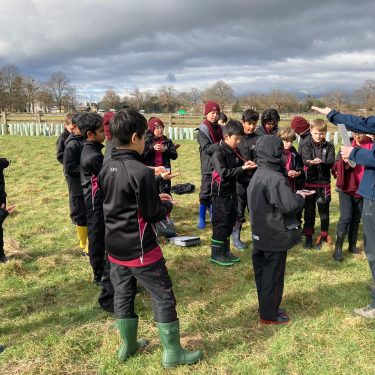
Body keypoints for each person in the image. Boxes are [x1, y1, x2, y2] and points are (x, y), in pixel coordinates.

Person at [98, 108, 202, 367]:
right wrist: (165, 203)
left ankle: (128, 345)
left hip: (114, 247)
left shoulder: (106, 166)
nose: (146, 141)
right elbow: (153, 213)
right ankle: (172, 352)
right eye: (144, 136)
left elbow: (118, 203)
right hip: (141, 249)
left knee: (123, 294)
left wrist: (155, 198)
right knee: (163, 295)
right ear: (135, 137)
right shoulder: (141, 173)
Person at [312, 105, 375, 318]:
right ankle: (339, 249)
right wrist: (333, 115)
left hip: (368, 193)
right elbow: (363, 124)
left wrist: (354, 154)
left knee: (366, 235)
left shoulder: (366, 146)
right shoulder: (356, 139)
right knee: (353, 225)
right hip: (357, 190)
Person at [247, 135, 309, 324]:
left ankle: (267, 307)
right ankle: (270, 315)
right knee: (273, 277)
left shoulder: (258, 173)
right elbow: (289, 205)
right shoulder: (275, 178)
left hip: (259, 233)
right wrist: (300, 197)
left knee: (262, 275)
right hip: (274, 236)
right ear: (276, 153)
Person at [210, 120, 256, 266]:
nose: (238, 141)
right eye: (236, 138)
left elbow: (237, 165)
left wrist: (246, 164)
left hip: (232, 192)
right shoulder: (218, 153)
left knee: (230, 221)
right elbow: (223, 173)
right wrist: (242, 169)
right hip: (220, 194)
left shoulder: (233, 150)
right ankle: (216, 254)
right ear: (226, 136)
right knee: (221, 223)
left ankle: (225, 251)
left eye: (239, 138)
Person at [331, 132, 373, 261]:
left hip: (363, 189)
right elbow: (335, 165)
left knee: (356, 218)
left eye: (360, 133)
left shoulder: (372, 146)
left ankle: (352, 245)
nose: (358, 136)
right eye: (355, 133)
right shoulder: (346, 145)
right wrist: (343, 162)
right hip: (347, 188)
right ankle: (338, 248)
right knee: (346, 217)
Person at [301, 119, 335, 249]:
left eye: (321, 133)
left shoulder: (330, 146)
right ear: (311, 131)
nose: (318, 136)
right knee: (309, 213)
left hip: (324, 185)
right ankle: (308, 237)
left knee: (324, 213)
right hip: (310, 184)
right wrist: (311, 162)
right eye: (315, 133)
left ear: (325, 133)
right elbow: (305, 160)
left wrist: (322, 162)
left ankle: (324, 236)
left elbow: (331, 162)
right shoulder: (306, 145)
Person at [232, 109, 260, 250]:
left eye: (254, 124)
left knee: (255, 210)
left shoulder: (259, 138)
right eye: (249, 123)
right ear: (243, 122)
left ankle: (257, 236)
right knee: (239, 209)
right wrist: (241, 166)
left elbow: (261, 157)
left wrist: (257, 164)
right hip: (239, 180)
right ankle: (236, 236)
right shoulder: (237, 138)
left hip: (255, 181)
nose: (251, 126)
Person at [63, 113, 88, 255]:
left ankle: (89, 241)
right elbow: (69, 167)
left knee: (88, 213)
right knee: (81, 214)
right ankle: (83, 243)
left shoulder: (83, 140)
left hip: (85, 183)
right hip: (77, 186)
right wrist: (86, 168)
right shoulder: (72, 144)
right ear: (74, 127)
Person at [197, 101, 223, 229]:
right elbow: (207, 148)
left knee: (216, 191)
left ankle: (213, 215)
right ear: (206, 114)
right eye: (212, 113)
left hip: (219, 165)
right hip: (208, 165)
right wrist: (221, 145)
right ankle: (201, 218)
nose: (214, 115)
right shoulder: (202, 130)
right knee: (205, 191)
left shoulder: (220, 128)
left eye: (217, 113)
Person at [143, 117, 178, 194]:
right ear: (152, 130)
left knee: (165, 192)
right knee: (153, 192)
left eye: (161, 127)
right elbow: (143, 156)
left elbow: (174, 156)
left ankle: (167, 204)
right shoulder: (147, 142)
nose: (160, 130)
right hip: (153, 171)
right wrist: (152, 149)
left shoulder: (168, 141)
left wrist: (165, 150)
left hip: (165, 170)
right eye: (157, 128)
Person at [278, 128, 305, 194]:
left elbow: (300, 168)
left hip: (292, 185)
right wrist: (287, 172)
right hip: (279, 184)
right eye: (286, 141)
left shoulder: (295, 154)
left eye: (291, 141)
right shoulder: (276, 154)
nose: (289, 144)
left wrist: (297, 172)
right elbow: (275, 168)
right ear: (280, 140)